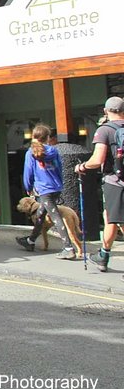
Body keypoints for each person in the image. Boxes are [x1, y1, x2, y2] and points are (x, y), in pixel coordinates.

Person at [75, 96, 124, 273]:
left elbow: (97, 159)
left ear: (106, 111)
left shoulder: (105, 130)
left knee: (119, 220)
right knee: (111, 217)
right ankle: (103, 255)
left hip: (115, 182)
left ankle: (103, 256)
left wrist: (82, 166)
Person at [18, 124, 75, 259]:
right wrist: (60, 185)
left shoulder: (30, 153)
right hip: (56, 187)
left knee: (55, 217)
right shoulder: (53, 151)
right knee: (41, 214)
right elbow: (59, 169)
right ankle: (30, 241)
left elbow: (28, 173)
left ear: (34, 137)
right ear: (48, 138)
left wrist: (28, 186)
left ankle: (68, 247)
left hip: (44, 189)